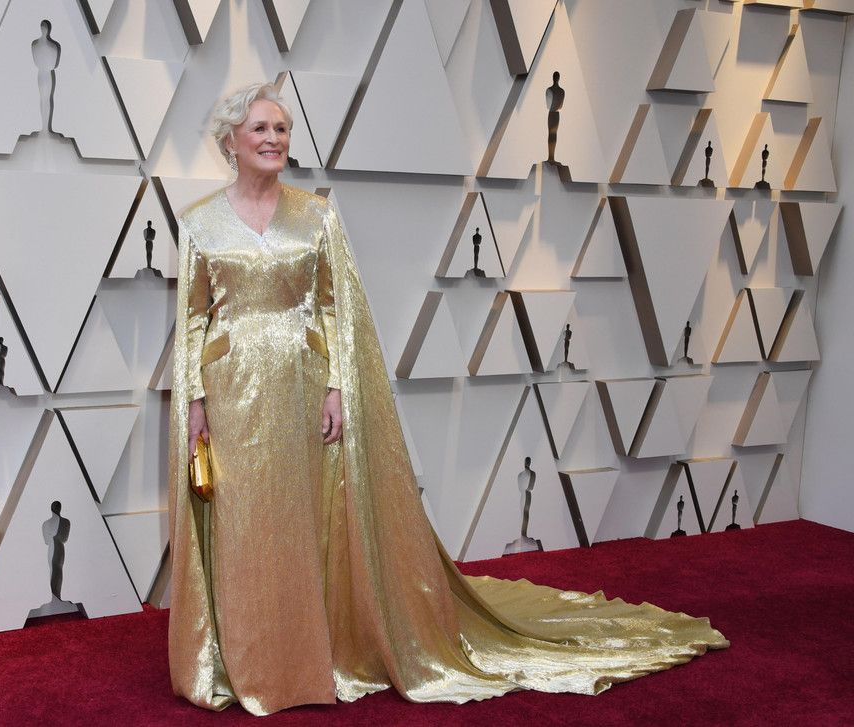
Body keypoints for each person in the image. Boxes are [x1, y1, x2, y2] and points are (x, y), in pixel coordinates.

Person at [166, 83, 728, 716]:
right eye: (261, 129)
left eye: (282, 128)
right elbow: (193, 320)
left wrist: (339, 386)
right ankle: (252, 660)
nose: (274, 139)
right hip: (233, 393)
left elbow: (336, 306)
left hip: (303, 386)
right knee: (246, 527)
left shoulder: (316, 215)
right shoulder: (200, 222)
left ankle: (311, 655)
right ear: (231, 141)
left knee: (307, 523)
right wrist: (194, 403)